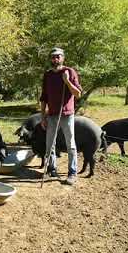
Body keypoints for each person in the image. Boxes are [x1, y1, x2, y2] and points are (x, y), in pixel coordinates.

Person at [39, 47, 82, 185]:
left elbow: (78, 94)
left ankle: (72, 173)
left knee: (71, 145)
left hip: (67, 115)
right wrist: (42, 116)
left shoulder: (69, 71)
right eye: (53, 57)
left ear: (63, 57)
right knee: (50, 145)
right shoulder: (48, 75)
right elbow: (44, 97)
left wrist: (67, 81)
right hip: (51, 115)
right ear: (50, 59)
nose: (55, 59)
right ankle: (52, 169)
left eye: (58, 56)